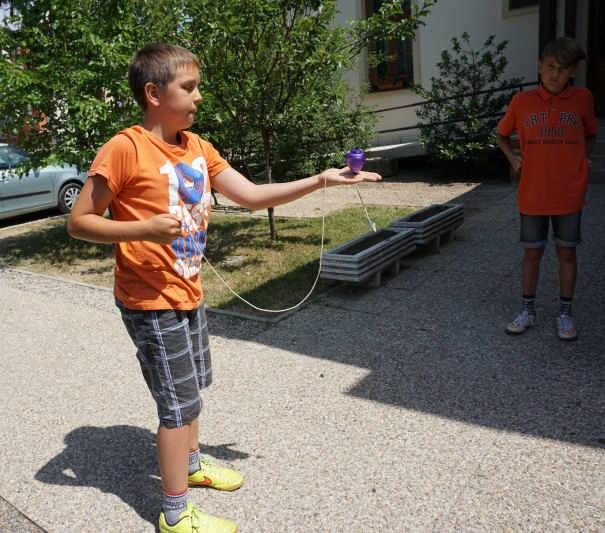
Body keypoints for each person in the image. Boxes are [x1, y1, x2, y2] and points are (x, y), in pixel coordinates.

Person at [67, 43, 381, 533]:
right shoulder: (125, 148)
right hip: (150, 301)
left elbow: (252, 196)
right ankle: (175, 514)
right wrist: (142, 229)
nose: (198, 97)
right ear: (154, 93)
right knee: (176, 407)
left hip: (188, 291)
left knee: (192, 389)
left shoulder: (198, 147)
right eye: (188, 87)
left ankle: (193, 465)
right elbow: (79, 221)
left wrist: (321, 180)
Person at [497, 36, 599, 341]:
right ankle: (528, 310)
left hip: (569, 192)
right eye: (551, 66)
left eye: (563, 68)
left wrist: (584, 156)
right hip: (533, 192)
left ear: (574, 71)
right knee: (532, 252)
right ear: (540, 66)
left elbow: (591, 132)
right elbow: (502, 134)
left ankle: (565, 313)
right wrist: (513, 158)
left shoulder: (583, 99)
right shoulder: (522, 102)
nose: (556, 73)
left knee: (566, 251)